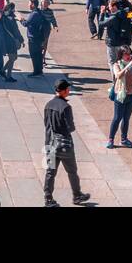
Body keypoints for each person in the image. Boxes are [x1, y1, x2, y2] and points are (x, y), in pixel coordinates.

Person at [42, 78, 90, 208]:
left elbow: (46, 125)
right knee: (72, 171)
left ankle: (48, 199)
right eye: (67, 89)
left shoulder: (48, 105)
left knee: (50, 172)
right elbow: (71, 128)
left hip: (50, 144)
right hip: (64, 146)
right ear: (63, 91)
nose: (69, 91)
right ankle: (77, 195)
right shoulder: (66, 107)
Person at [105, 45, 132, 149]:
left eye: (129, 53)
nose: (128, 56)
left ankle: (124, 139)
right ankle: (110, 139)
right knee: (117, 118)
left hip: (131, 94)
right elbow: (118, 75)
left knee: (126, 119)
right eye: (126, 54)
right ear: (121, 55)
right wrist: (128, 65)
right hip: (120, 94)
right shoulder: (116, 64)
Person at [97, 0, 132, 68]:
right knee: (121, 61)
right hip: (122, 42)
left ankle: (116, 77)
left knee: (112, 62)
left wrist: (101, 13)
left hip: (113, 43)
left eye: (109, 6)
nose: (108, 7)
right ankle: (122, 76)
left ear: (114, 7)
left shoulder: (113, 18)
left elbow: (101, 24)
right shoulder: (124, 14)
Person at [22, 0, 53, 77]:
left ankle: (36, 72)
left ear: (33, 4)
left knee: (34, 55)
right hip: (39, 37)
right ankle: (39, 70)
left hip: (34, 38)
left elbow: (26, 23)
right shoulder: (39, 12)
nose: (28, 5)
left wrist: (20, 19)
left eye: (29, 3)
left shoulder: (34, 14)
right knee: (38, 54)